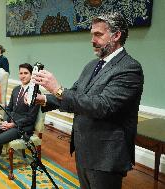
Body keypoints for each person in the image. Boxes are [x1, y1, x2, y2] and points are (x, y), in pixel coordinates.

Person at [32, 12, 144, 189]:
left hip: (106, 156)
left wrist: (58, 89)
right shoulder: (92, 65)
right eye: (92, 34)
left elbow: (102, 106)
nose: (92, 39)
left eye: (98, 34)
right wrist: (45, 98)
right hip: (84, 149)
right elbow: (77, 94)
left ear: (116, 35)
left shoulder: (129, 68)